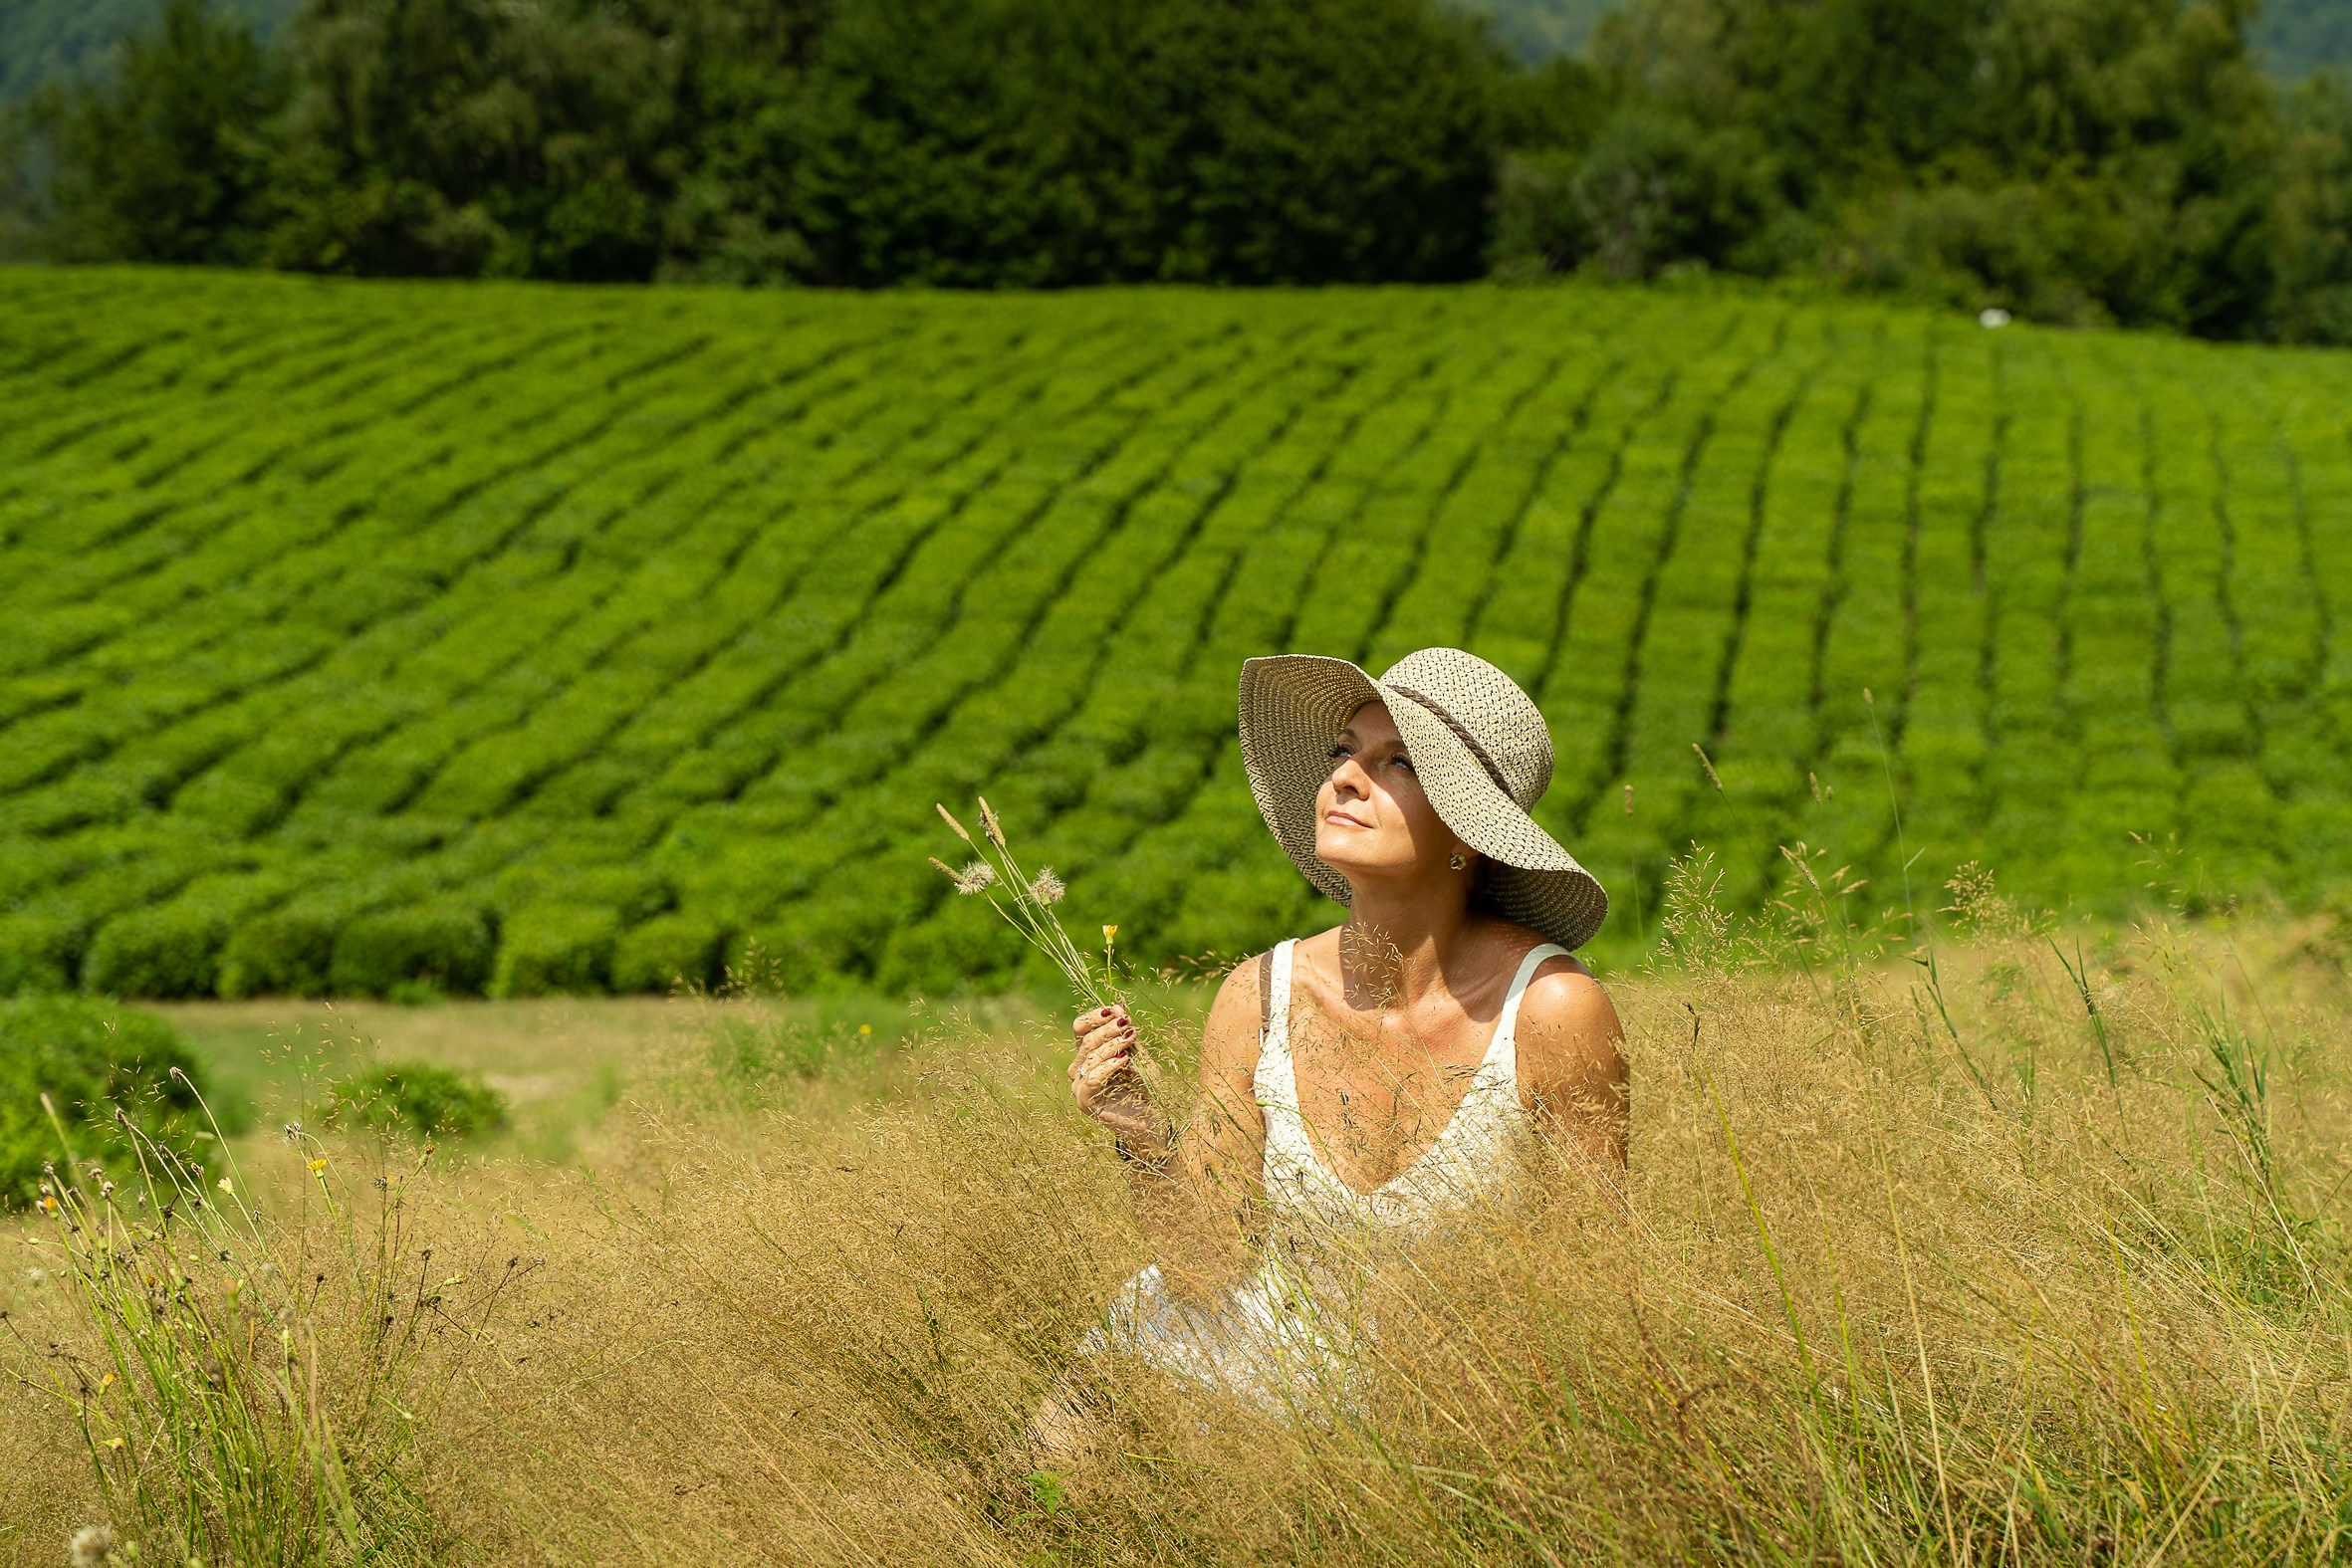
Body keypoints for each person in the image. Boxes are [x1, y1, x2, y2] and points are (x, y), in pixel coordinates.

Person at [1041, 647, 1628, 1447]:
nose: (1346, 778)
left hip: (1443, 1425)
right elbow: (1203, 1266)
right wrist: (1141, 1133)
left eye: (1400, 762)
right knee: (1046, 1481)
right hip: (1226, 1375)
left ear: (1471, 828)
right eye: (1343, 751)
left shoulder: (1552, 1009)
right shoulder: (1258, 994)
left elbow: (1599, 1281)